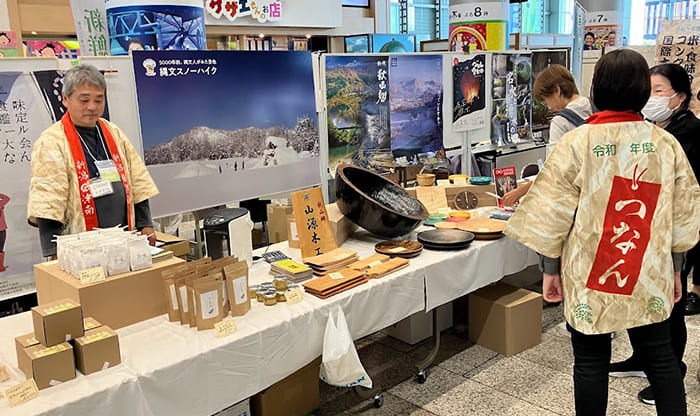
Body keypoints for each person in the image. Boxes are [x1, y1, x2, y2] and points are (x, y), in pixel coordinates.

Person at [504, 49, 700, 416]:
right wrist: (677, 269)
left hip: (590, 272)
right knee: (661, 359)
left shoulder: (577, 143)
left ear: (597, 88)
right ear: (643, 91)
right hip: (648, 270)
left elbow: (552, 214)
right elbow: (684, 213)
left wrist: (550, 269)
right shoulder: (665, 143)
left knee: (590, 361)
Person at [609, 63, 700, 405]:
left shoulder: (690, 133)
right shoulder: (648, 128)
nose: (651, 97)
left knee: (669, 303)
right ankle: (641, 359)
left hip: (672, 234)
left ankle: (672, 369)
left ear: (679, 97)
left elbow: (683, 193)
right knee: (638, 294)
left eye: (659, 91)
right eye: (648, 91)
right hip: (640, 226)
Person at [28, 65, 158, 259]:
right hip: (80, 247)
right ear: (65, 99)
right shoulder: (51, 141)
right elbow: (48, 200)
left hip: (125, 238)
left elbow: (137, 180)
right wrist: (52, 251)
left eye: (98, 100)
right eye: (84, 100)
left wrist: (145, 224)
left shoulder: (113, 132)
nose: (92, 107)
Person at [502, 65, 592, 207]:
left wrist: (520, 191)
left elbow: (552, 169)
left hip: (574, 198)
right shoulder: (594, 107)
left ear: (557, 90)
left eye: (545, 99)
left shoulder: (561, 121)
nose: (549, 106)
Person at [0, 192, 9, 272]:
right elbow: (6, 198)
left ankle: (1, 266)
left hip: (2, 229)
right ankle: (0, 267)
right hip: (2, 229)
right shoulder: (0, 203)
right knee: (1, 248)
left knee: (1, 248)